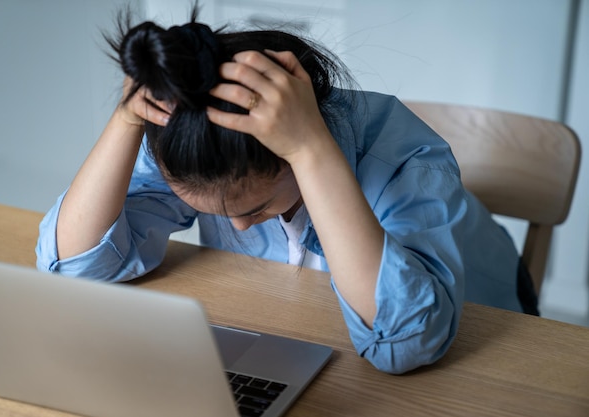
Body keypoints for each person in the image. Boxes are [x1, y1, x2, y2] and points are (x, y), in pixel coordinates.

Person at [36, 6, 538, 375]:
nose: (235, 226)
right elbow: (75, 269)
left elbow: (406, 343)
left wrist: (311, 150)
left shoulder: (406, 161)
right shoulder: (198, 141)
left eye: (255, 206)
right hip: (303, 328)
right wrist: (127, 117)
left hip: (493, 332)